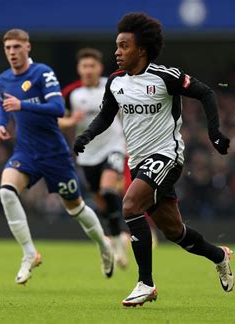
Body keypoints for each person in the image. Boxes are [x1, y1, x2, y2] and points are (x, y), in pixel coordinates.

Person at [74, 13, 234, 306]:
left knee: (130, 204)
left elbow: (206, 93)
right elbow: (106, 116)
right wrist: (85, 136)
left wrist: (214, 133)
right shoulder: (116, 82)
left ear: (141, 49)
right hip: (138, 162)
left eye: (124, 46)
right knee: (175, 232)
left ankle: (145, 283)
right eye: (116, 47)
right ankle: (219, 256)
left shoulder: (165, 77)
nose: (117, 52)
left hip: (167, 156)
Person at [0, 29, 113, 285]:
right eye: (8, 48)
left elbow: (58, 108)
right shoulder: (4, 79)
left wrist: (22, 105)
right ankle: (29, 254)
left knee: (76, 209)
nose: (13, 53)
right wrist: (1, 124)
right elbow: (4, 105)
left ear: (28, 47)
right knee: (6, 191)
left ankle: (103, 244)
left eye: (17, 47)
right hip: (26, 152)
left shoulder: (42, 73)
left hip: (54, 155)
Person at [59, 48, 129, 269]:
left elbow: (128, 112)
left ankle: (119, 240)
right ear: (79, 69)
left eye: (92, 66)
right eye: (84, 66)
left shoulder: (113, 85)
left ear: (99, 68)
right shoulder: (71, 94)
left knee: (109, 190)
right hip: (87, 155)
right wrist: (71, 122)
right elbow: (58, 119)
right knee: (101, 201)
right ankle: (112, 236)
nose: (88, 70)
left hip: (114, 147)